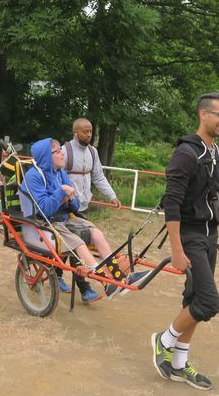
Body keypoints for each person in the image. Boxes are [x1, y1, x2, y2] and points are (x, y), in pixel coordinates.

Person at [151, 93, 219, 391]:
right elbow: (172, 203)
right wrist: (176, 249)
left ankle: (178, 364)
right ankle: (164, 340)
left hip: (210, 234)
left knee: (195, 299)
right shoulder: (186, 154)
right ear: (203, 114)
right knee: (209, 303)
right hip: (189, 234)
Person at [20, 138, 149, 300]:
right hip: (44, 222)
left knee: (96, 234)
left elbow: (75, 204)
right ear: (46, 155)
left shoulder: (60, 173)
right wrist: (62, 192)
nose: (62, 153)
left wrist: (70, 199)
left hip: (65, 217)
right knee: (79, 244)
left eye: (61, 149)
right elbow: (44, 209)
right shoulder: (34, 176)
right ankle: (107, 283)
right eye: (57, 151)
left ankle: (121, 278)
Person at [55, 118, 122, 300]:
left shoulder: (92, 152)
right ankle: (79, 286)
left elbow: (98, 177)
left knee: (77, 247)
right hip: (66, 207)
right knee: (71, 246)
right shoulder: (65, 151)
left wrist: (112, 195)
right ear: (76, 132)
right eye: (85, 132)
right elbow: (55, 175)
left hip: (83, 206)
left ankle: (71, 282)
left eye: (91, 131)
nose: (89, 135)